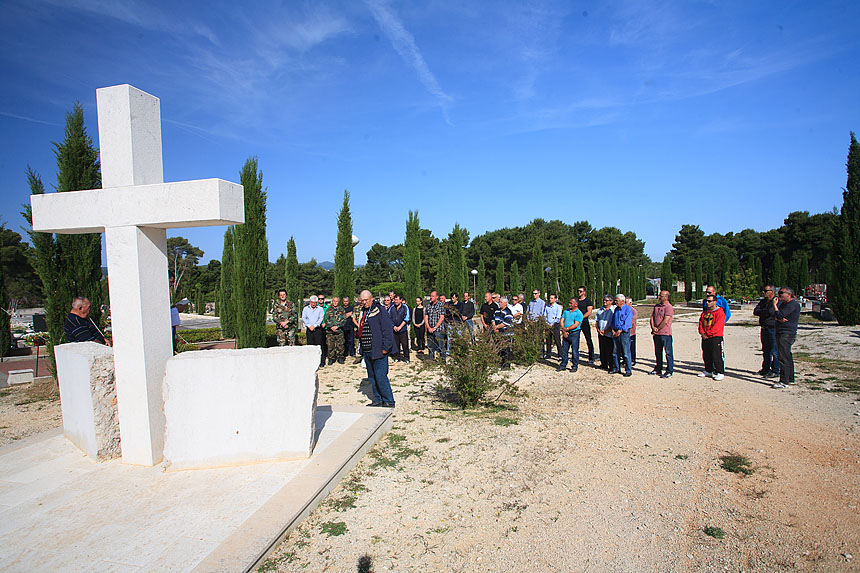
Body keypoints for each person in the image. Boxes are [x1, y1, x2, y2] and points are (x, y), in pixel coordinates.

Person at [356, 290, 395, 407]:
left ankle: (388, 400)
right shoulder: (364, 312)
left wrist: (386, 347)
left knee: (381, 376)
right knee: (372, 377)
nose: (364, 302)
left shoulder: (380, 311)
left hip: (378, 349)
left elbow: (387, 330)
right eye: (362, 300)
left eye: (366, 300)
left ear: (371, 299)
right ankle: (378, 400)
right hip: (367, 350)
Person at [772, 287, 801, 389]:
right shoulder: (784, 304)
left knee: (783, 357)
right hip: (782, 331)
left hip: (786, 333)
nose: (778, 295)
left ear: (788, 294)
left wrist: (775, 307)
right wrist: (778, 316)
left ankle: (784, 381)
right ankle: (790, 378)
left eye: (781, 293)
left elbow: (780, 314)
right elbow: (776, 315)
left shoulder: (793, 305)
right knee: (787, 356)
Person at [753, 285, 779, 379]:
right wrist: (765, 312)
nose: (763, 292)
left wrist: (764, 312)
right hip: (764, 328)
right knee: (766, 350)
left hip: (773, 328)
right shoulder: (763, 301)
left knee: (774, 351)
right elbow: (756, 311)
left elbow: (772, 312)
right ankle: (765, 369)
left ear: (772, 292)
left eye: (766, 291)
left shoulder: (776, 301)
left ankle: (775, 370)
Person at [698, 294, 726, 380]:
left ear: (715, 302)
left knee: (716, 354)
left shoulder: (720, 312)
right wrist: (702, 333)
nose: (707, 303)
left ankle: (720, 371)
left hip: (715, 337)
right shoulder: (705, 312)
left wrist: (708, 334)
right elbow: (701, 322)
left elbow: (717, 326)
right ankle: (708, 370)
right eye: (706, 301)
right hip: (705, 337)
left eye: (709, 301)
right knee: (706, 354)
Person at [649, 290, 674, 379]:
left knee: (668, 352)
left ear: (667, 297)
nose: (660, 297)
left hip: (665, 333)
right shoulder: (656, 306)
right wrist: (653, 328)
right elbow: (652, 317)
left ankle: (669, 370)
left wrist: (657, 328)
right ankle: (658, 368)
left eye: (662, 296)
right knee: (657, 351)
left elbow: (666, 320)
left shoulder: (668, 307)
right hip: (656, 333)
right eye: (660, 295)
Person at [610, 294, 633, 377]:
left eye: (617, 301)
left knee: (626, 352)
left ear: (622, 301)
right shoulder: (616, 309)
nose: (615, 302)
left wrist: (620, 330)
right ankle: (616, 368)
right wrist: (613, 329)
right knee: (615, 352)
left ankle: (628, 370)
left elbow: (627, 322)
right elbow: (613, 320)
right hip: (615, 332)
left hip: (623, 333)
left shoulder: (628, 310)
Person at [559, 297, 583, 372]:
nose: (569, 304)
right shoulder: (566, 311)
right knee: (564, 350)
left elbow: (576, 325)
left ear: (576, 304)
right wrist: (563, 330)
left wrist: (567, 329)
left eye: (571, 303)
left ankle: (574, 366)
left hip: (574, 333)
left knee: (575, 351)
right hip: (566, 332)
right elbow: (562, 320)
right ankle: (563, 364)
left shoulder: (579, 313)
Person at [302, 295, 325, 367]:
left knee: (319, 345)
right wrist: (309, 326)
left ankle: (321, 361)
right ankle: (311, 360)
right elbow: (304, 318)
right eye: (312, 302)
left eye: (315, 302)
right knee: (310, 345)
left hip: (317, 329)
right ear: (310, 302)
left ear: (317, 302)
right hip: (309, 329)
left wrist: (315, 325)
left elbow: (321, 318)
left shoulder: (320, 309)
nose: (313, 304)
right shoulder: (306, 309)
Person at [492, 296, 514, 369]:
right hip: (498, 333)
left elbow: (506, 323)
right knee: (500, 349)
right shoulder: (497, 311)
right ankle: (501, 363)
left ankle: (506, 365)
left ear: (505, 303)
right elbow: (493, 319)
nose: (499, 303)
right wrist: (494, 327)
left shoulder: (508, 312)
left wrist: (497, 327)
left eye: (501, 302)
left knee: (506, 349)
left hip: (506, 333)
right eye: (499, 302)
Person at [323, 296, 347, 365]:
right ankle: (331, 358)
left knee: (340, 345)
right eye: (334, 301)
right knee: (330, 345)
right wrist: (331, 327)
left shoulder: (341, 310)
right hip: (330, 331)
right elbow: (326, 320)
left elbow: (344, 320)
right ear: (332, 301)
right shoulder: (329, 309)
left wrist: (338, 326)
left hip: (339, 331)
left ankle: (340, 357)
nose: (335, 302)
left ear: (338, 302)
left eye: (336, 301)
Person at [595, 295, 615, 371]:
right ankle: (603, 364)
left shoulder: (613, 310)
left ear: (611, 301)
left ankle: (611, 366)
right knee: (602, 349)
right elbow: (597, 320)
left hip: (608, 333)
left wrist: (606, 331)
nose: (604, 302)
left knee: (609, 350)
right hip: (601, 333)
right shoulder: (601, 310)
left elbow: (613, 323)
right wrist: (598, 329)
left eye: (606, 300)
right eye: (604, 300)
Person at [576, 287, 595, 365]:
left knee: (588, 339)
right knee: (575, 340)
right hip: (576, 322)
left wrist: (581, 318)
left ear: (584, 292)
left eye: (580, 291)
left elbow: (589, 311)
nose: (579, 292)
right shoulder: (576, 300)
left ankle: (591, 357)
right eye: (578, 291)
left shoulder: (588, 301)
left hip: (584, 322)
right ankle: (575, 357)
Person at [425, 290, 446, 362]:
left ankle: (443, 360)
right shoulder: (428, 306)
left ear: (437, 297)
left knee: (440, 345)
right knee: (430, 346)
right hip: (429, 329)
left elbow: (441, 317)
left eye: (433, 296)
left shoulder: (440, 305)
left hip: (438, 330)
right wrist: (428, 327)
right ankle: (431, 360)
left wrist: (435, 328)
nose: (431, 297)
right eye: (430, 296)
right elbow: (426, 317)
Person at [390, 294, 410, 363]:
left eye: (397, 299)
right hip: (394, 329)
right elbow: (389, 318)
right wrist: (393, 326)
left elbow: (406, 318)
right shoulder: (392, 308)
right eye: (395, 300)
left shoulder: (405, 308)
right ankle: (397, 357)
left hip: (403, 329)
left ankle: (406, 358)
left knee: (405, 344)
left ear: (401, 300)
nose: (396, 301)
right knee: (396, 344)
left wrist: (400, 327)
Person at [543, 294, 563, 359]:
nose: (550, 299)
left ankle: (560, 355)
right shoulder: (547, 307)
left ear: (555, 299)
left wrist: (552, 324)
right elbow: (544, 315)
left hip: (555, 325)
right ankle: (548, 354)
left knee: (557, 340)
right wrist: (547, 323)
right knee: (548, 340)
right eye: (550, 298)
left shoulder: (558, 307)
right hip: (548, 325)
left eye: (552, 298)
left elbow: (558, 317)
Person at [626, 296, 638, 367]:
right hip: (624, 332)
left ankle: (633, 360)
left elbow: (632, 322)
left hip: (631, 332)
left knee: (631, 347)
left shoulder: (633, 311)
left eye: (625, 302)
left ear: (630, 303)